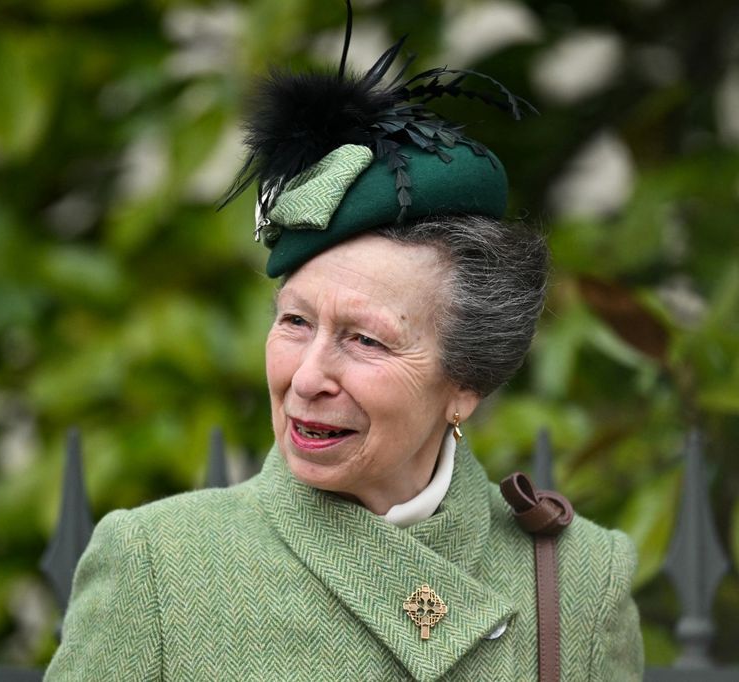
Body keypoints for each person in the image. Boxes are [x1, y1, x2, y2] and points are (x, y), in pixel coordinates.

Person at [44, 6, 643, 681]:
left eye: (364, 339)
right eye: (295, 322)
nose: (307, 378)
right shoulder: (156, 566)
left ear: (465, 382)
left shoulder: (581, 583)